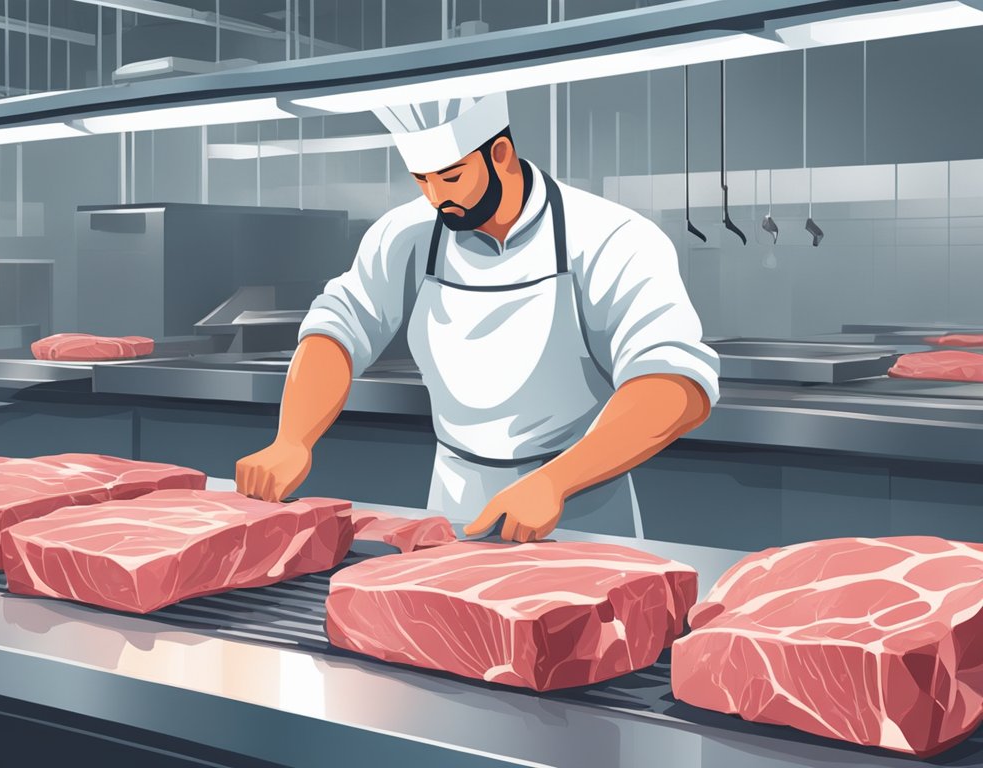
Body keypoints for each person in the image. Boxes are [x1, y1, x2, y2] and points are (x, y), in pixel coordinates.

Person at [235, 93, 719, 543]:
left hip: (582, 503)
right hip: (453, 497)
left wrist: (555, 480)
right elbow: (337, 328)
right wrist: (292, 439)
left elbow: (672, 381)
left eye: (450, 177)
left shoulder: (610, 235)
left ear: (501, 153)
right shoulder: (407, 234)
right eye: (421, 180)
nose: (434, 197)